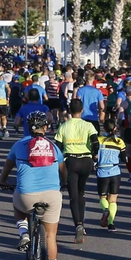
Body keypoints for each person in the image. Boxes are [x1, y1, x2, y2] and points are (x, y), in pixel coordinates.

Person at [0, 111, 66, 260]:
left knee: (17, 204)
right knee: (51, 235)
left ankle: (24, 233)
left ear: (28, 127)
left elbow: (7, 168)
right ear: (46, 127)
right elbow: (62, 170)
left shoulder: (19, 145)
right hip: (52, 195)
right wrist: (64, 184)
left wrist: (3, 181)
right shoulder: (53, 146)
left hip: (26, 195)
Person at [57, 98, 97, 243]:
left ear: (69, 111)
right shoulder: (88, 125)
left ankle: (78, 224)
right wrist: (94, 155)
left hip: (71, 161)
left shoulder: (63, 126)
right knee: (81, 192)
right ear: (82, 110)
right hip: (86, 161)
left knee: (73, 196)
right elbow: (95, 142)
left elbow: (58, 147)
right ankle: (83, 223)